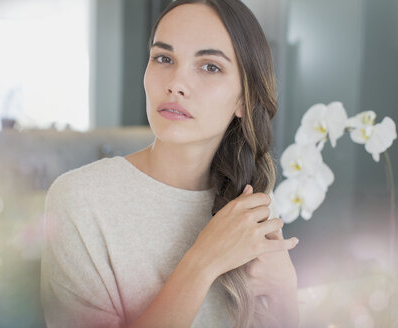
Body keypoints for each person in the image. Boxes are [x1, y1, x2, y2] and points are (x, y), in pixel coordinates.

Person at [40, 0, 300, 327]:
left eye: (209, 66)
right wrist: (202, 262)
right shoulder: (80, 200)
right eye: (164, 58)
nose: (176, 83)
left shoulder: (246, 204)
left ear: (244, 101)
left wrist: (286, 295)